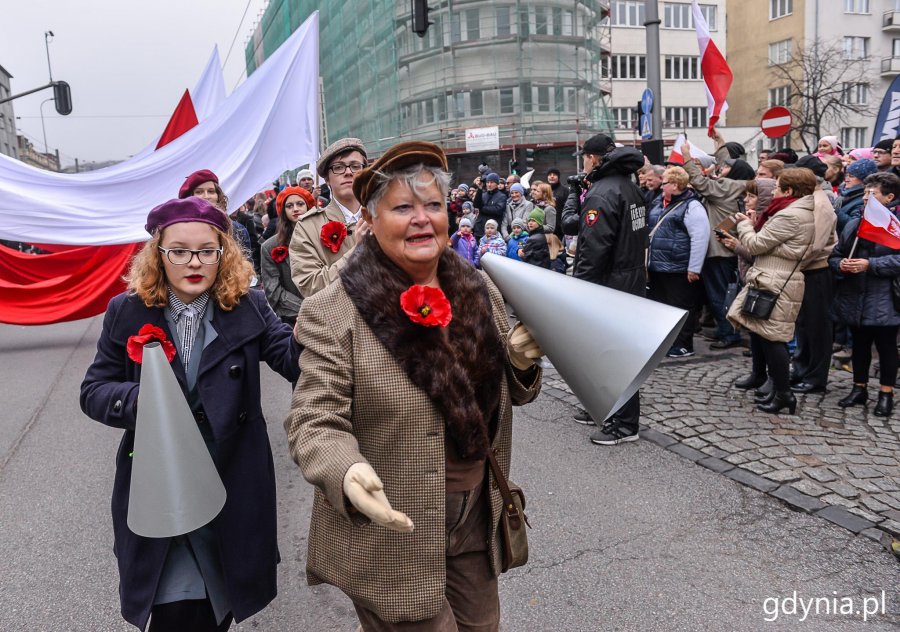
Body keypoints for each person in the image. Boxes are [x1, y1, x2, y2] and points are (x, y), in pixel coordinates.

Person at [285, 140, 543, 630]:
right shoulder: (333, 309)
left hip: (474, 515)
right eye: (403, 207)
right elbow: (314, 418)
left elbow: (507, 394)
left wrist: (516, 362)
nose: (422, 218)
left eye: (433, 205)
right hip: (393, 527)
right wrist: (346, 470)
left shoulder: (478, 286)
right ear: (371, 220)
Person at [80, 197, 301, 631]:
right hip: (161, 491)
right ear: (158, 256)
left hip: (229, 482)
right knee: (176, 611)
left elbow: (292, 359)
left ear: (225, 254)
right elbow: (94, 390)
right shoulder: (127, 311)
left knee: (217, 610)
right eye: (179, 251)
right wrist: (142, 400)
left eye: (207, 250)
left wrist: (330, 309)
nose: (193, 262)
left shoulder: (249, 306)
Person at [561, 133, 648, 445]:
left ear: (593, 159)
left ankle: (624, 425)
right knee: (608, 351)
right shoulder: (629, 187)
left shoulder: (603, 193)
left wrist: (581, 293)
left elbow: (593, 249)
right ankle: (605, 408)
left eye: (585, 157)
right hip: (629, 279)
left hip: (610, 284)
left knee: (614, 355)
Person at [725, 168, 818, 415]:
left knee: (773, 338)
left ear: (789, 191)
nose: (774, 191)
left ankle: (784, 394)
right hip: (776, 277)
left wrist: (745, 226)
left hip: (776, 281)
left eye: (777, 187)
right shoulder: (798, 211)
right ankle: (778, 391)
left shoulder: (789, 215)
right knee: (766, 335)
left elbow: (755, 245)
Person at [829, 172, 900, 416]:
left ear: (889, 197)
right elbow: (836, 253)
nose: (866, 198)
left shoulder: (895, 225)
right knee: (859, 345)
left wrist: (870, 265)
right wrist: (841, 265)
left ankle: (885, 393)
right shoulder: (855, 222)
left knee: (886, 346)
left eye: (873, 194)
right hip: (855, 293)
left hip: (885, 296)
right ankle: (859, 388)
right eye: (866, 193)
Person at [681, 142, 755, 350]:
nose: (720, 170)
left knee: (720, 295)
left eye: (725, 168)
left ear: (736, 172)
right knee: (722, 294)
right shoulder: (734, 187)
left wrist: (687, 157)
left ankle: (728, 334)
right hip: (724, 250)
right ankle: (726, 330)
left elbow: (700, 182)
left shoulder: (729, 186)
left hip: (719, 252)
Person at [290, 138, 369, 298]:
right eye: (338, 167)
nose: (348, 172)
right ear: (326, 178)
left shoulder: (385, 216)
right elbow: (310, 286)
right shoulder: (307, 227)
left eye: (355, 166)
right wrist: (356, 251)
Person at [646, 166, 710, 358]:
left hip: (678, 266)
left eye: (664, 183)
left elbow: (700, 237)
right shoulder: (659, 202)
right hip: (658, 266)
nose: (661, 186)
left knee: (681, 306)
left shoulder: (692, 206)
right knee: (661, 305)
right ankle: (666, 342)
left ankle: (683, 344)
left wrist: (694, 268)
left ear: (674, 185)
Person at [789, 163, 839, 395]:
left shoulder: (820, 203)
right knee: (804, 325)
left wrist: (793, 264)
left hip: (816, 270)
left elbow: (816, 245)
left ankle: (816, 377)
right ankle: (802, 368)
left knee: (817, 327)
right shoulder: (812, 199)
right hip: (806, 269)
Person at [261, 186, 315, 328]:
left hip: (331, 316)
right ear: (283, 211)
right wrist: (308, 311)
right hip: (295, 322)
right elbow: (274, 292)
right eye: (289, 206)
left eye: (300, 204)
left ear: (308, 207)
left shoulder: (325, 237)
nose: (295, 209)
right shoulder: (269, 247)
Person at [178, 169, 253, 258]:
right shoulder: (177, 230)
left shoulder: (237, 230)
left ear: (218, 196)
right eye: (199, 192)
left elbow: (247, 267)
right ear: (189, 197)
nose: (206, 196)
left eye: (211, 191)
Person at [473, 172, 508, 241]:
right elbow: (476, 205)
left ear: (497, 184)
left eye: (492, 182)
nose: (489, 185)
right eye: (487, 182)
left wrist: (482, 209)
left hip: (493, 231)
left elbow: (498, 210)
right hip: (480, 230)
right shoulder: (483, 194)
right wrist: (479, 189)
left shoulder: (502, 196)